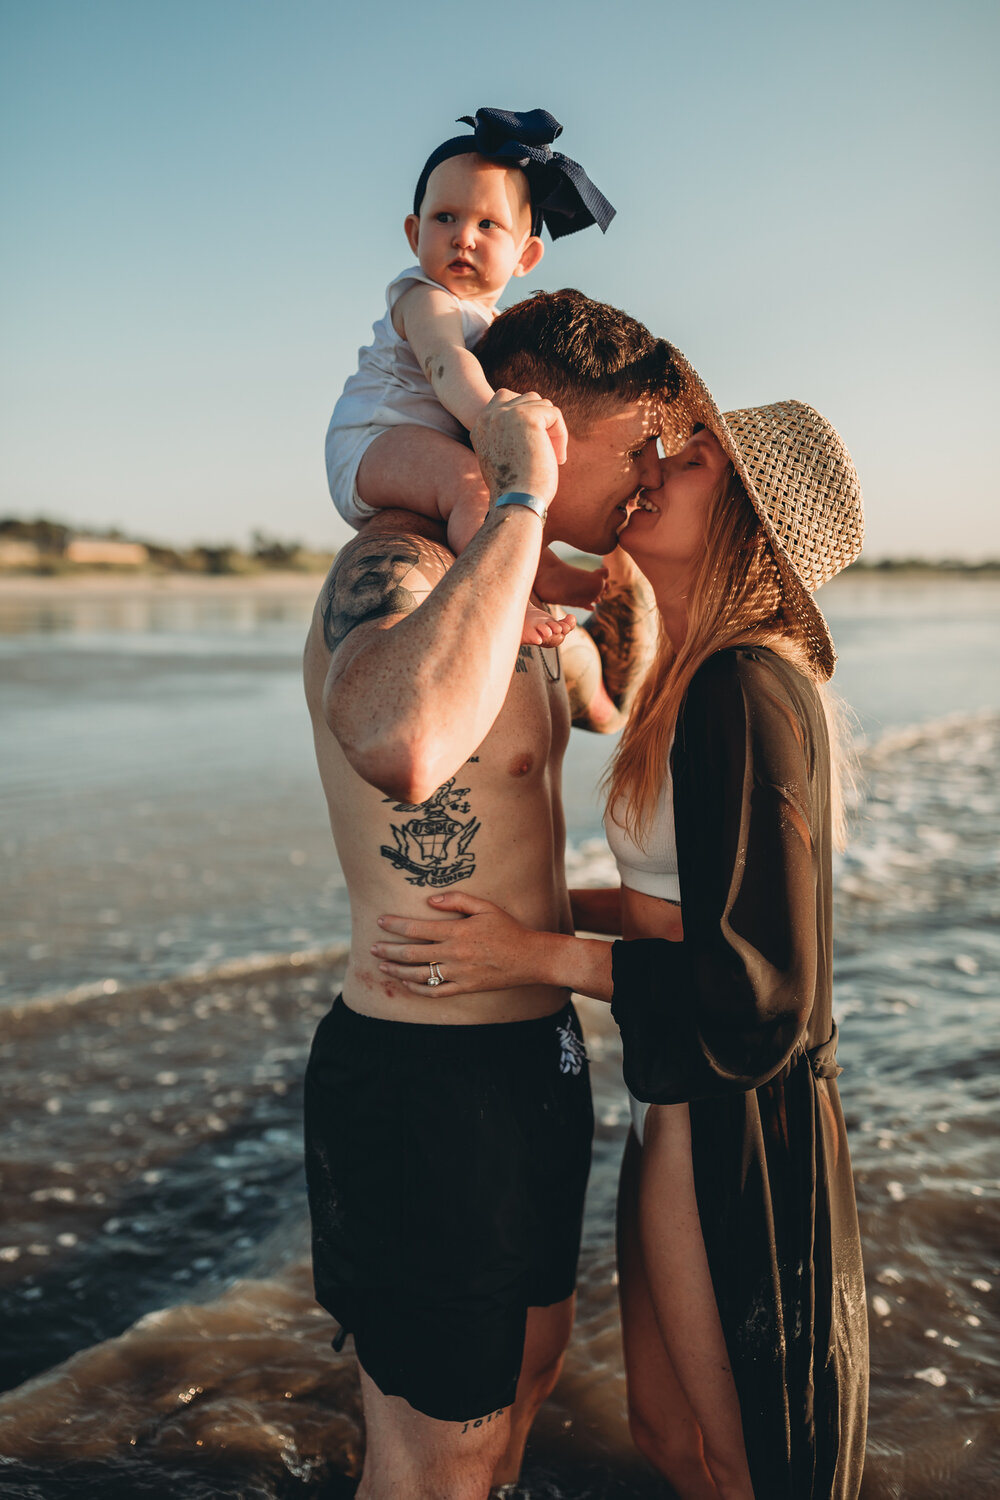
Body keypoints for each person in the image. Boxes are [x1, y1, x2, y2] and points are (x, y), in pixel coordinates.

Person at [372, 356, 870, 1500]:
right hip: (677, 1096)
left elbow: (763, 993)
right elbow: (675, 910)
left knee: (739, 1464)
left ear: (743, 520)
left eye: (691, 462)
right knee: (667, 1439)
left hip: (736, 1120)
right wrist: (519, 906)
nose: (654, 471)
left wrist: (533, 955)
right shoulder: (690, 683)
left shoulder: (746, 686)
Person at [303, 288, 675, 1499]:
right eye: (630, 461)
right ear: (535, 436)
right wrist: (516, 498)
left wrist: (626, 563)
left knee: (520, 1397)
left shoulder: (530, 600)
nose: (642, 486)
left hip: (537, 1060)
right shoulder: (396, 567)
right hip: (420, 1076)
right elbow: (403, 744)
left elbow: (620, 710)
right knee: (433, 1468)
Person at [324, 106, 617, 644]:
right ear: (414, 234)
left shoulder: (496, 321)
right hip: (375, 440)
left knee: (520, 488)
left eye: (488, 224)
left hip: (417, 440)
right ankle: (506, 601)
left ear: (526, 255)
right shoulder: (425, 299)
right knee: (473, 488)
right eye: (445, 219)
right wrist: (493, 417)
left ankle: (541, 568)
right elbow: (444, 364)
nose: (464, 237)